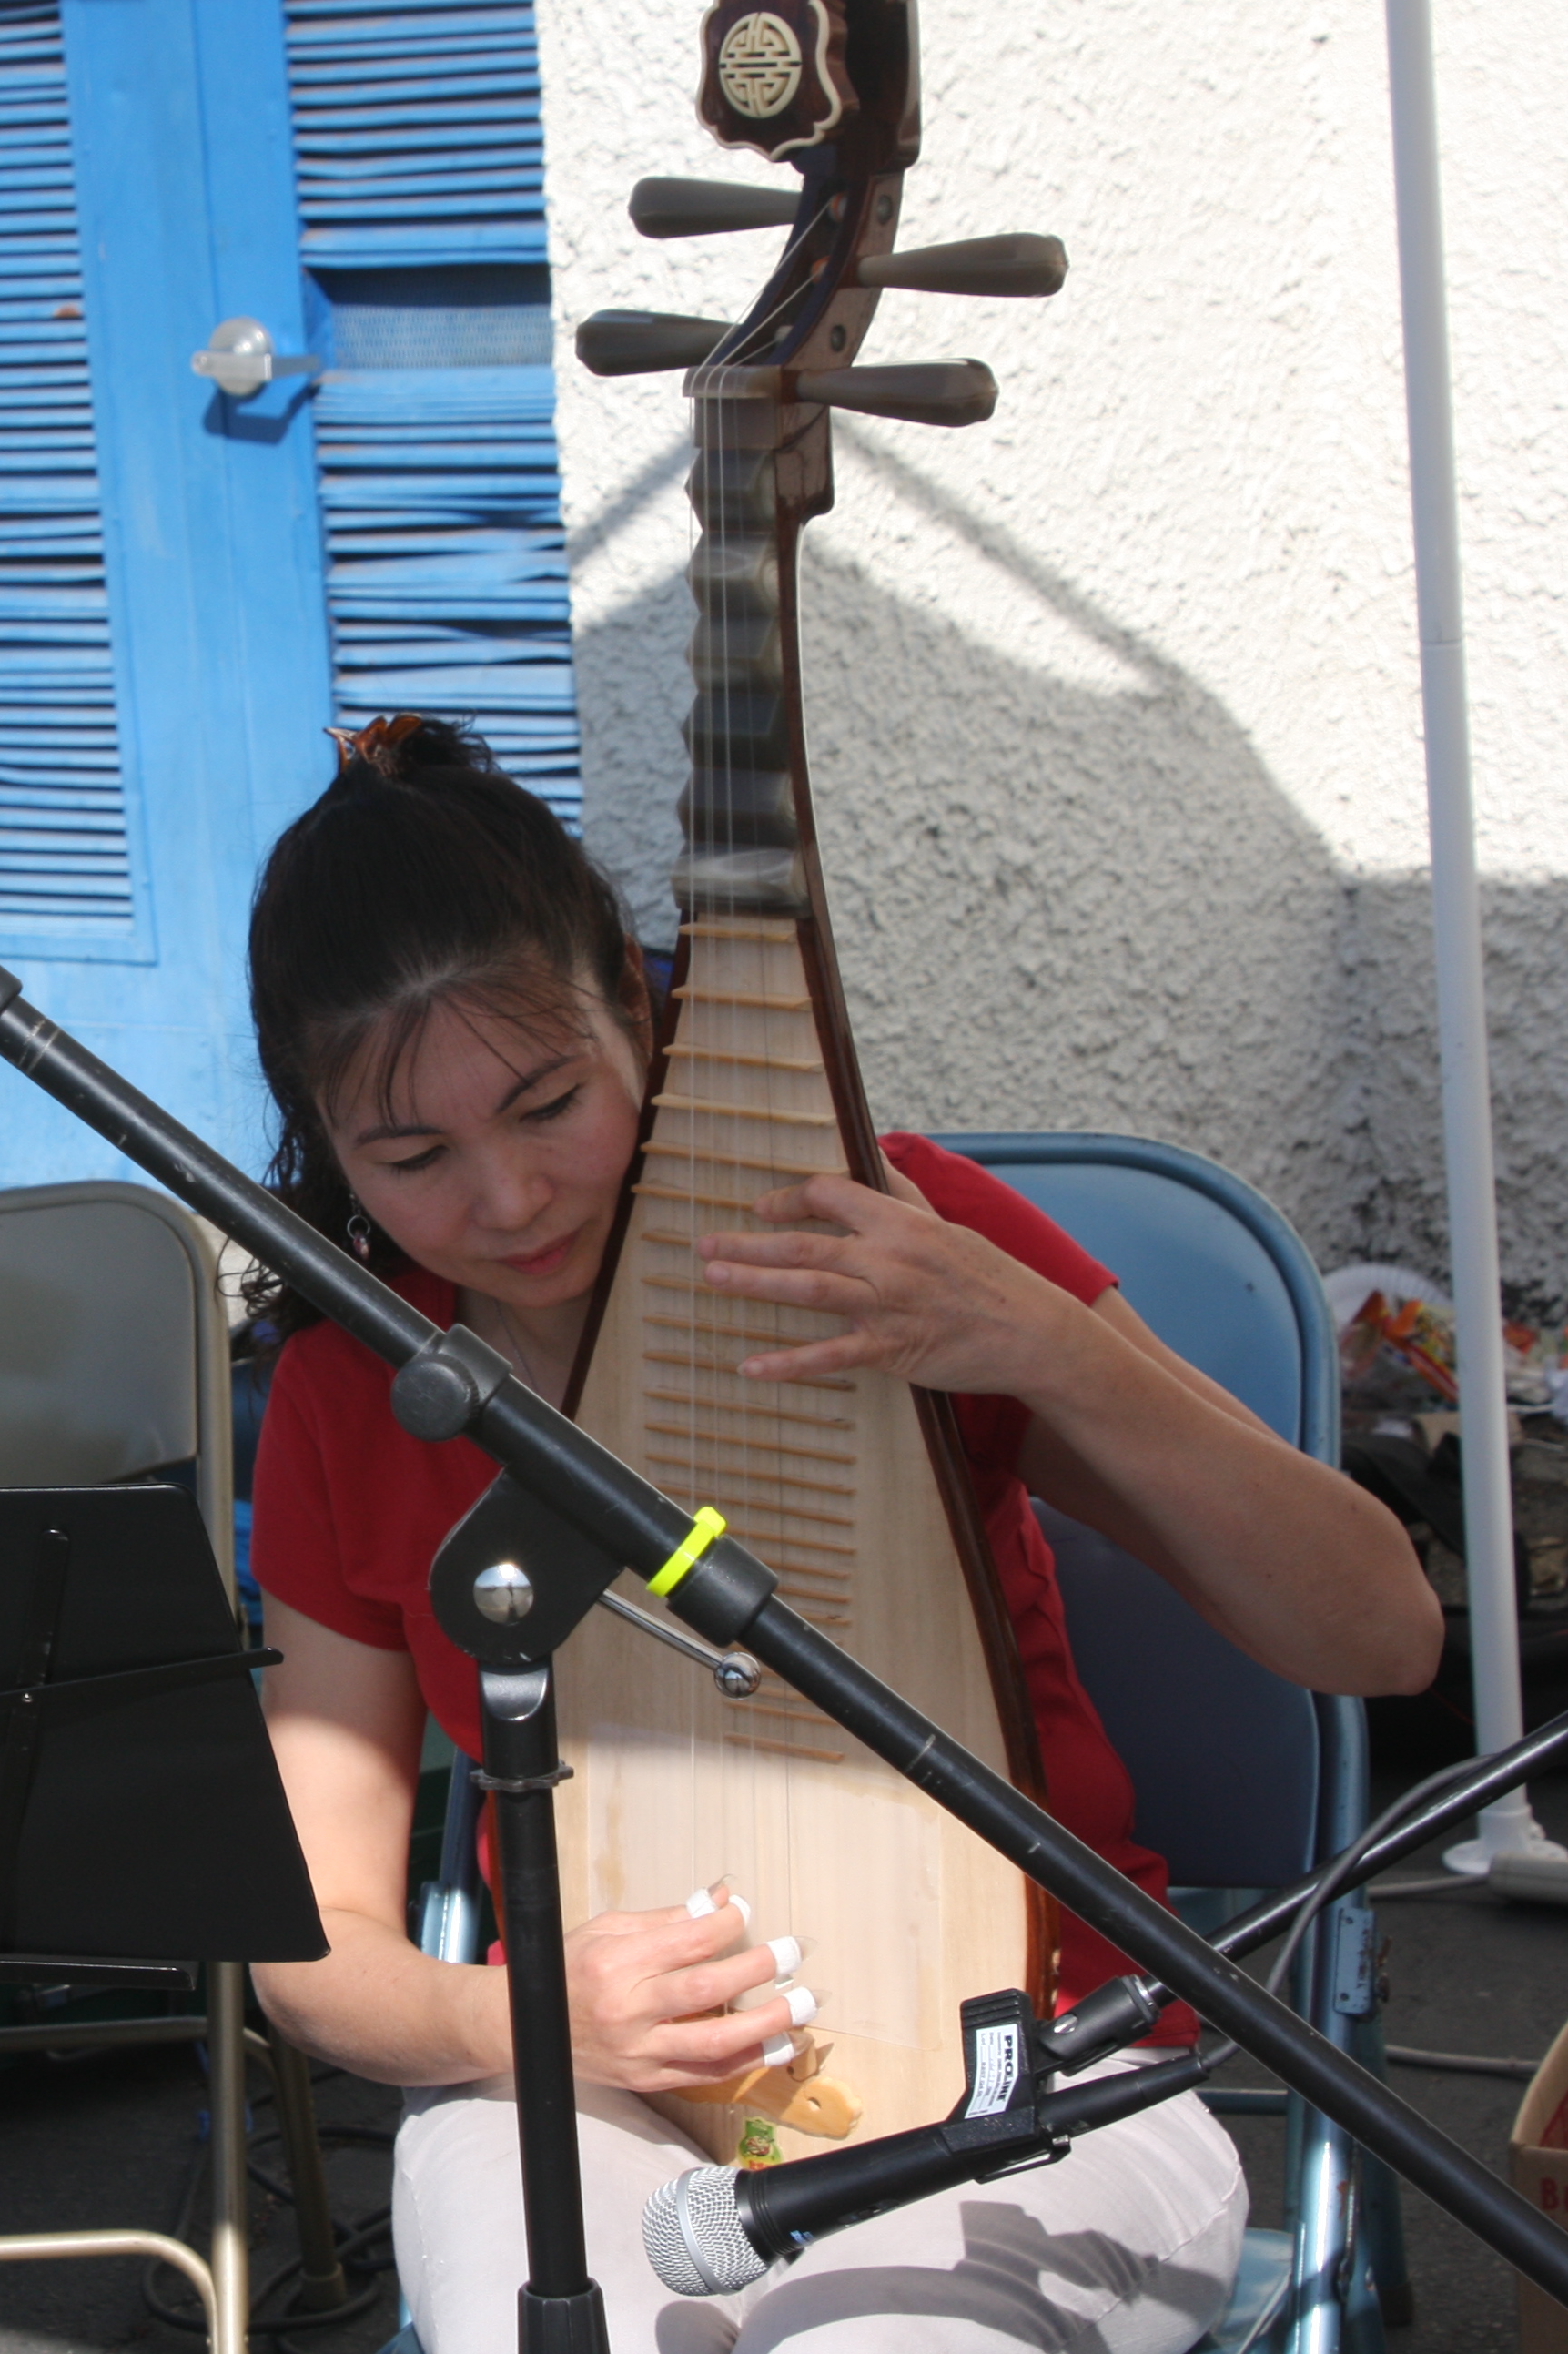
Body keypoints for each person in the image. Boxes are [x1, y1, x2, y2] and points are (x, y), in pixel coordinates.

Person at [237, 720, 1440, 2354]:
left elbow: (1383, 1634)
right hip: (594, 2086)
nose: (507, 1200)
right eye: (414, 1156)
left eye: (547, 1104)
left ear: (641, 1010)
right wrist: (523, 2018)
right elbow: (313, 1947)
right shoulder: (350, 1390)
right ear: (326, 1143)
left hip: (1043, 2075)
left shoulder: (884, 1236)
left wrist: (1036, 1340)